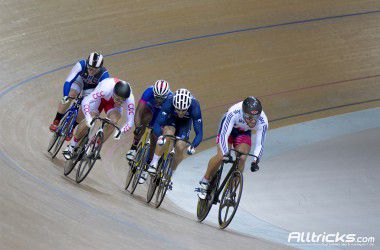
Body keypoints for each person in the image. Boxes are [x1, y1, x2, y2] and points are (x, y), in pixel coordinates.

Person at [197, 96, 268, 199]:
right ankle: (205, 180)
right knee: (221, 156)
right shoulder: (233, 112)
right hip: (228, 130)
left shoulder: (263, 121)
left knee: (242, 158)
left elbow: (260, 144)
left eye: (255, 118)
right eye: (250, 118)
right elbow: (224, 135)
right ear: (243, 113)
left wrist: (255, 160)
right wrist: (226, 153)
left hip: (243, 133)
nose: (253, 121)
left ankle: (231, 191)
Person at [139, 88, 203, 184]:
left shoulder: (195, 107)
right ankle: (154, 163)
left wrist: (193, 146)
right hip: (171, 120)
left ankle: (171, 173)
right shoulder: (169, 102)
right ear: (174, 105)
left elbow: (199, 133)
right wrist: (161, 137)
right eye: (178, 110)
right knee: (167, 135)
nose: (180, 113)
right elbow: (157, 123)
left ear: (188, 106)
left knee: (180, 146)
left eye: (183, 111)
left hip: (185, 124)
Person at [62, 78, 135, 160]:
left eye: (122, 101)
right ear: (114, 93)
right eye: (118, 99)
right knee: (91, 118)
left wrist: (121, 132)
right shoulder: (106, 89)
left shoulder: (130, 99)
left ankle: (95, 146)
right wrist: (88, 117)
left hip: (112, 106)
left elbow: (130, 121)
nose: (119, 102)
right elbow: (86, 101)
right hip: (99, 99)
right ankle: (72, 146)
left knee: (113, 122)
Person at [49, 52, 109, 140]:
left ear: (100, 68)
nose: (91, 71)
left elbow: (101, 93)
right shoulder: (81, 64)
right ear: (87, 64)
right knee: (71, 94)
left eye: (94, 69)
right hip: (80, 81)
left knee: (85, 107)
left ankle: (72, 127)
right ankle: (56, 120)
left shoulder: (104, 75)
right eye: (89, 68)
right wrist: (65, 96)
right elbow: (68, 81)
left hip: (92, 89)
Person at [125, 80, 172, 163]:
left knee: (155, 136)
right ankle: (134, 146)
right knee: (145, 118)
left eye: (162, 98)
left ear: (166, 95)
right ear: (154, 93)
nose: (159, 100)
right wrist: (138, 128)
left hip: (162, 112)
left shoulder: (171, 98)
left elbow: (169, 119)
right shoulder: (148, 92)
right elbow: (139, 112)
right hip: (150, 109)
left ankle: (149, 161)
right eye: (157, 97)